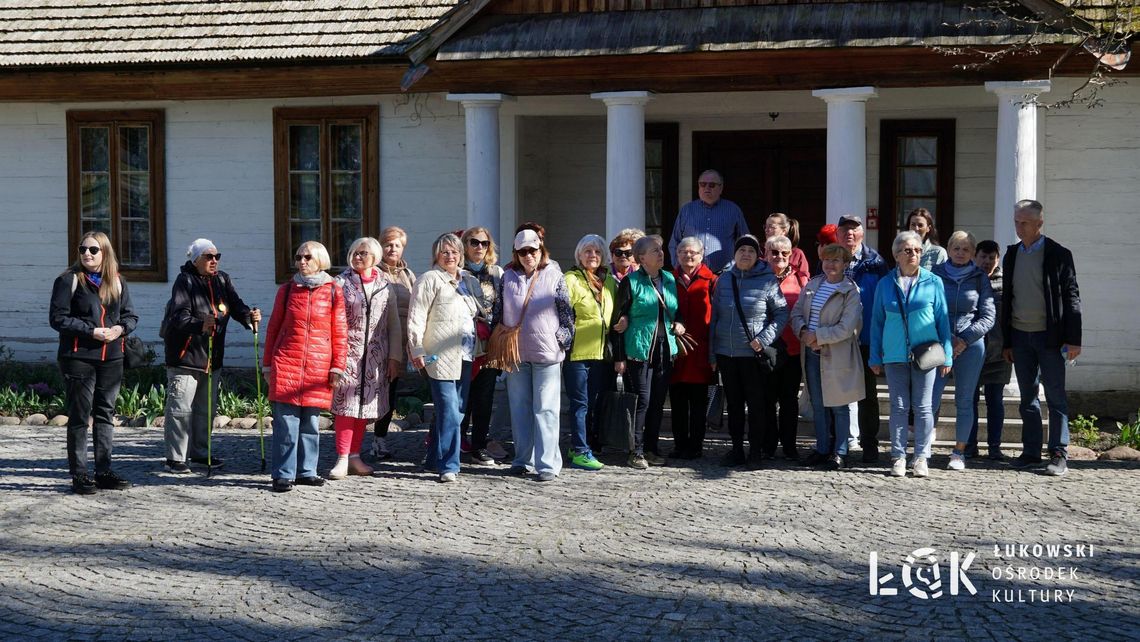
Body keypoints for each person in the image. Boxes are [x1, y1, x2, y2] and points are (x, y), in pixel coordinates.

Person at [49, 231, 138, 494]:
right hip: (78, 358)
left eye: (93, 250)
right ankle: (79, 475)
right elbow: (58, 318)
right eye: (83, 249)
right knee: (79, 417)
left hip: (111, 358)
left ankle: (104, 471)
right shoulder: (68, 280)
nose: (87, 253)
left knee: (105, 415)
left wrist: (120, 329)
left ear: (105, 253)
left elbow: (131, 316)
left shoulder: (118, 281)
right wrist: (91, 331)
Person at [161, 238, 259, 474]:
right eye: (208, 256)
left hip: (212, 357)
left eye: (217, 256)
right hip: (186, 356)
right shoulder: (185, 281)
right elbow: (179, 317)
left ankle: (200, 454)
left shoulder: (222, 280)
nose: (214, 260)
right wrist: (200, 324)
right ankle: (176, 458)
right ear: (195, 260)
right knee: (181, 410)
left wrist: (249, 317)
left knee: (206, 409)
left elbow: (236, 306)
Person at [1001, 199, 1081, 477]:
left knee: (1056, 397)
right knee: (1027, 397)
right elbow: (1008, 298)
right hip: (1020, 337)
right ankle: (1031, 451)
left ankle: (1059, 453)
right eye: (1016, 221)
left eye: (1024, 222)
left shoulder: (1058, 254)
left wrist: (1074, 339)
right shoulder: (1011, 254)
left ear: (1039, 223)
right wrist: (1007, 341)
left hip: (1051, 338)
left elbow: (1072, 297)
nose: (1018, 226)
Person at [263, 241, 347, 492]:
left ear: (320, 259)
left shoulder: (333, 291)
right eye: (298, 257)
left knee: (311, 424)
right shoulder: (287, 291)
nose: (302, 261)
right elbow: (273, 328)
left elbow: (340, 332)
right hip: (287, 362)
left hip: (319, 366)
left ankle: (307, 471)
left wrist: (337, 366)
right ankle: (283, 474)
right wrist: (267, 364)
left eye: (308, 257)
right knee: (286, 425)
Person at [869, 231, 953, 479]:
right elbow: (876, 322)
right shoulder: (885, 284)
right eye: (907, 250)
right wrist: (875, 355)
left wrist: (947, 355)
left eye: (917, 250)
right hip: (894, 354)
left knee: (924, 407)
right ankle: (898, 456)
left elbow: (943, 319)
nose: (913, 254)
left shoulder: (933, 281)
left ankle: (921, 457)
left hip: (925, 354)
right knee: (899, 406)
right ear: (896, 255)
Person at [495, 229, 574, 481]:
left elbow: (567, 314)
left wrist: (560, 340)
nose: (528, 255)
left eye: (533, 250)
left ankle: (548, 464)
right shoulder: (506, 277)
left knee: (546, 410)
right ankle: (523, 459)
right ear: (516, 254)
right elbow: (498, 311)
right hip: (515, 353)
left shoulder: (555, 275)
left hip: (547, 353)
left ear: (541, 250)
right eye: (523, 251)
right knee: (519, 409)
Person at [708, 234, 787, 469]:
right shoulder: (724, 279)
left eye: (751, 251)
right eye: (741, 250)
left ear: (757, 255)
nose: (746, 254)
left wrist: (763, 339)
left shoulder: (767, 280)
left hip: (753, 355)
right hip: (726, 353)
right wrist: (712, 353)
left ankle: (755, 452)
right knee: (733, 405)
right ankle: (736, 450)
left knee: (756, 405)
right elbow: (715, 317)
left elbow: (782, 313)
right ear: (734, 254)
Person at [328, 237, 403, 480]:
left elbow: (393, 325)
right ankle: (341, 457)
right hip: (346, 353)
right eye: (355, 252)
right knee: (345, 406)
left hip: (375, 357)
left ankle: (354, 456)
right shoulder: (339, 283)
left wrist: (394, 357)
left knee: (364, 407)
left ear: (375, 258)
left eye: (364, 253)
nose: (358, 257)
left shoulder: (384, 285)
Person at [407, 233, 479, 483]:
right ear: (436, 255)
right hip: (439, 355)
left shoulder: (467, 280)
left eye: (455, 252)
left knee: (456, 410)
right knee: (449, 410)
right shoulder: (429, 279)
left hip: (466, 353)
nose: (450, 256)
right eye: (444, 251)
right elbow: (416, 316)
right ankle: (450, 464)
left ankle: (433, 457)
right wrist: (416, 349)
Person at [612, 234, 685, 469]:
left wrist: (680, 323)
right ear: (641, 258)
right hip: (639, 349)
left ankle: (652, 448)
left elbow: (676, 310)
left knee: (656, 402)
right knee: (642, 400)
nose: (661, 253)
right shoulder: (631, 282)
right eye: (655, 250)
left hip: (665, 348)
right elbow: (618, 320)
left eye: (661, 249)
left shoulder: (669, 279)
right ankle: (636, 450)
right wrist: (620, 357)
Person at [790, 243, 865, 470]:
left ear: (845, 264)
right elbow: (796, 313)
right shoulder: (813, 285)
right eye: (827, 260)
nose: (830, 265)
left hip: (837, 355)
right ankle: (822, 448)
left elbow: (846, 328)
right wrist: (803, 332)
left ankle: (839, 451)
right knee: (819, 403)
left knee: (840, 404)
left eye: (836, 261)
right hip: (811, 353)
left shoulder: (850, 291)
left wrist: (817, 336)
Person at [931, 231, 995, 471]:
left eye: (965, 249)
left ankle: (959, 451)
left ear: (972, 253)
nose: (960, 253)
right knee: (931, 397)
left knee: (965, 400)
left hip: (970, 344)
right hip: (939, 340)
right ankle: (923, 448)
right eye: (956, 248)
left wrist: (964, 339)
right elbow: (929, 307)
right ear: (948, 249)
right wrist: (948, 337)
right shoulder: (935, 274)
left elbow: (988, 316)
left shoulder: (980, 278)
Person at [838, 215, 890, 461]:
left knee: (868, 395)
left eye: (854, 229)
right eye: (845, 229)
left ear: (862, 233)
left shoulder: (876, 263)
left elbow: (884, 303)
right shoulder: (831, 260)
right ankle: (838, 445)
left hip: (868, 338)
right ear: (838, 234)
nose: (850, 233)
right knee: (837, 394)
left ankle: (870, 445)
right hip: (838, 340)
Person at [563, 234, 615, 471]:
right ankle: (581, 450)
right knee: (580, 403)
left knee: (593, 403)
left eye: (596, 252)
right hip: (578, 353)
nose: (592, 255)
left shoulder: (610, 282)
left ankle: (580, 445)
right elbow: (562, 313)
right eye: (587, 251)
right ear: (579, 255)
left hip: (601, 353)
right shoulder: (571, 279)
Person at [458, 226, 507, 464]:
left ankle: (479, 444)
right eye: (474, 242)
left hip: (489, 344)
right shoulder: (456, 272)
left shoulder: (496, 273)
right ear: (465, 245)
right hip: (462, 343)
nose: (479, 247)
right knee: (461, 396)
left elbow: (503, 306)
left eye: (484, 243)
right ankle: (456, 443)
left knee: (484, 398)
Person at [668, 236, 717, 460]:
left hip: (701, 350)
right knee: (677, 402)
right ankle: (679, 445)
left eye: (693, 252)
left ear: (701, 255)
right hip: (676, 349)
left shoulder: (712, 280)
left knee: (698, 403)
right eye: (683, 252)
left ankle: (696, 446)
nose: (688, 256)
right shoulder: (669, 279)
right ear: (677, 254)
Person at [371, 226, 415, 461]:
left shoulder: (409, 275)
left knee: (390, 392)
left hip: (401, 343)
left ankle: (380, 438)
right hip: (378, 341)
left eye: (397, 245)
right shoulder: (374, 272)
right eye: (388, 244)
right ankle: (359, 441)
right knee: (373, 391)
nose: (392, 249)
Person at [762, 235, 808, 460]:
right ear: (766, 253)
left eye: (784, 253)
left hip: (792, 349)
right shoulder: (758, 277)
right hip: (766, 349)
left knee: (789, 400)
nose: (779, 256)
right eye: (774, 252)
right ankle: (768, 445)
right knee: (767, 400)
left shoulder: (801, 280)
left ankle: (789, 445)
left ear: (791, 255)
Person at [969, 239, 1012, 460]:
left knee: (995, 401)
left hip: (998, 351)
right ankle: (970, 445)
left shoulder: (1006, 282)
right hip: (972, 351)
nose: (987, 262)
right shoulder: (968, 279)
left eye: (991, 257)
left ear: (998, 258)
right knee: (970, 401)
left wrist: (1010, 345)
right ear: (976, 257)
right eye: (983, 257)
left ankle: (994, 446)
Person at [668, 169, 749, 272]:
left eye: (712, 185)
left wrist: (741, 268)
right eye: (702, 184)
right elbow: (675, 242)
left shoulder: (733, 210)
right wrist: (679, 267)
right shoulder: (687, 210)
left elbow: (745, 241)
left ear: (721, 188)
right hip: (692, 275)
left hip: (725, 275)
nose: (707, 188)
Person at [763, 213, 810, 283]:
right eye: (765, 226)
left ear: (784, 231)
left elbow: (804, 280)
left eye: (771, 227)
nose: (766, 230)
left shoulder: (797, 254)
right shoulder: (758, 250)